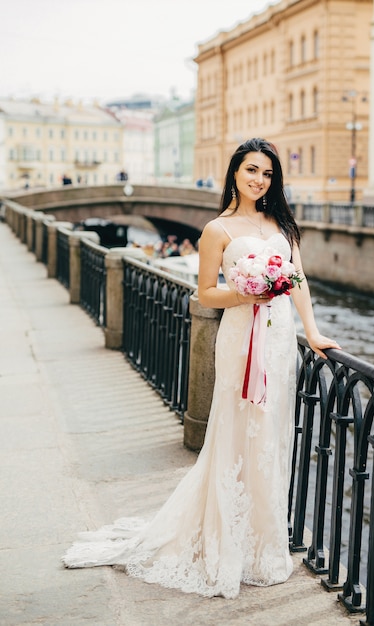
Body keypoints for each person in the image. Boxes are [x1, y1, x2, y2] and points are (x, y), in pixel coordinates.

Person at [62, 137, 340, 598]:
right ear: (234, 172)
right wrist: (245, 294)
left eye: (267, 173)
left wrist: (311, 333)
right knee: (235, 433)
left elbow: (298, 280)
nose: (259, 180)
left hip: (276, 341)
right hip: (238, 336)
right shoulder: (217, 229)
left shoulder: (283, 223)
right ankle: (226, 538)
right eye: (252, 170)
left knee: (271, 436)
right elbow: (205, 294)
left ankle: (262, 541)